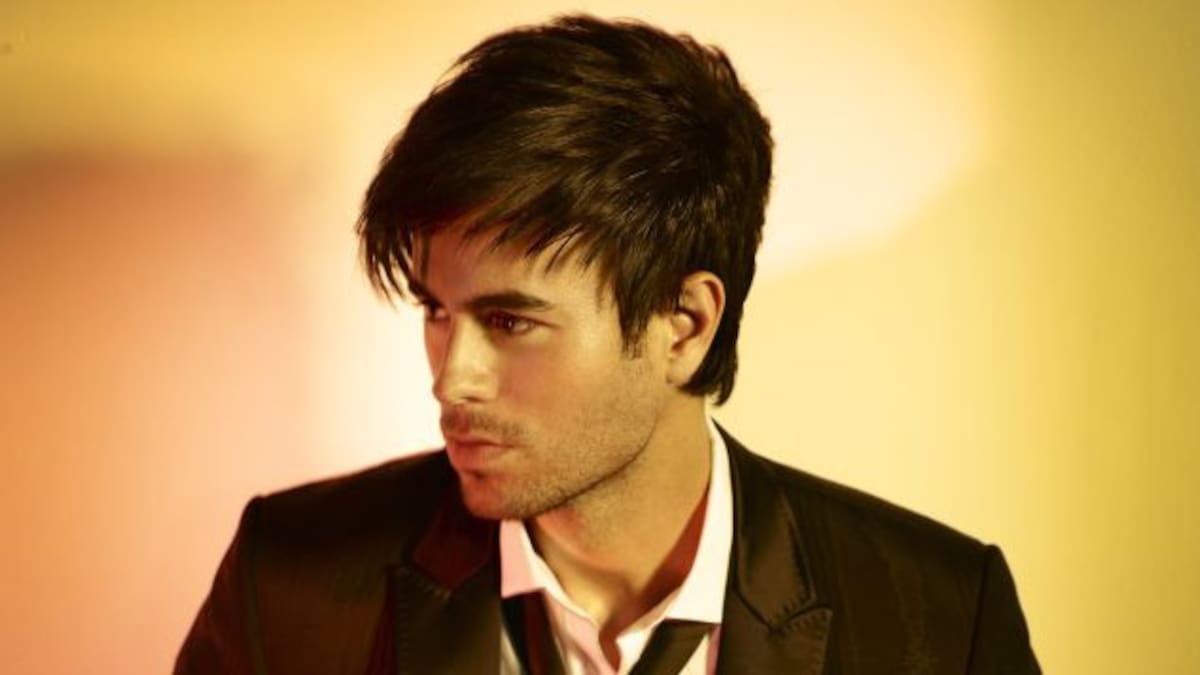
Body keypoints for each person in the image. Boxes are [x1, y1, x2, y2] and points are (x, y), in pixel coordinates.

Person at [176, 15, 1039, 675]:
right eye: (436, 310)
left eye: (509, 322)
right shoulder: (290, 582)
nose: (451, 378)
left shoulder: (936, 620)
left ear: (684, 324)